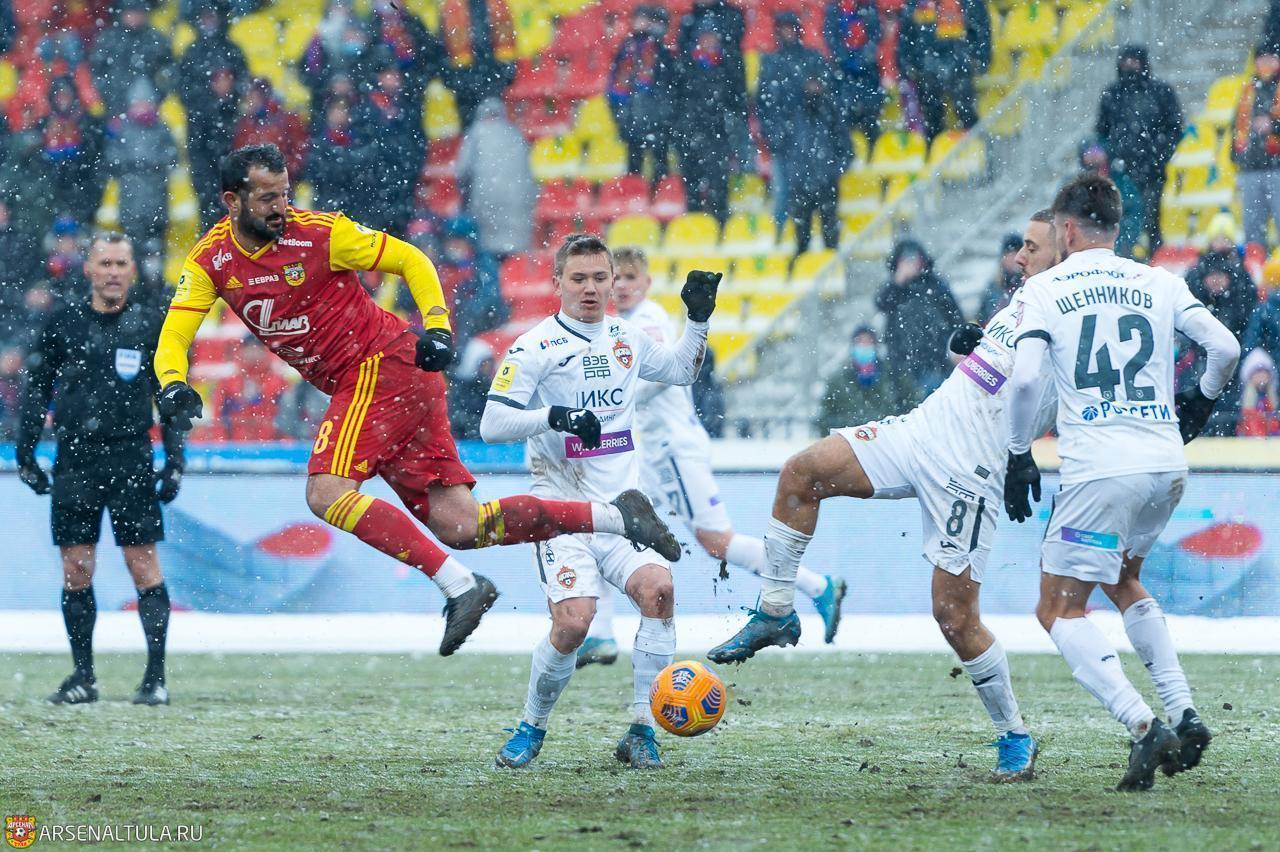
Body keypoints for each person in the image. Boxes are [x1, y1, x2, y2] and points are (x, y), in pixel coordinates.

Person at [154, 144, 681, 656]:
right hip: (395, 381)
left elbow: (409, 258)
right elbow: (175, 333)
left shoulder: (321, 234)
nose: (281, 207)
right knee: (463, 525)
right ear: (232, 201)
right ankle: (616, 516)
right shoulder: (211, 261)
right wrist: (173, 382)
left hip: (380, 366)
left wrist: (437, 325)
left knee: (325, 492)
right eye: (268, 198)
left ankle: (459, 587)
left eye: (285, 194)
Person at [708, 211, 1060, 781]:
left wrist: (1022, 453)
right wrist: (972, 346)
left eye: (1031, 247)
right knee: (801, 474)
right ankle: (775, 611)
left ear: (1065, 249)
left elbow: (1050, 388)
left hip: (970, 469)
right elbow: (1002, 372)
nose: (1019, 256)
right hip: (921, 430)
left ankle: (1014, 733)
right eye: (1021, 245)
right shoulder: (1023, 297)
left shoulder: (1071, 311)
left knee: (954, 617)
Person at [1003, 174, 1239, 791]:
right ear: (1114, 227)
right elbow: (1225, 347)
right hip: (1165, 463)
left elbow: (1024, 380)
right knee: (1123, 579)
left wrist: (1019, 452)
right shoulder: (1158, 280)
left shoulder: (1046, 289)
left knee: (1057, 607)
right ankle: (1184, 713)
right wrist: (1201, 400)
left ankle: (1142, 723)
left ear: (1068, 230)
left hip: (1102, 469)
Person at [479, 234, 719, 769]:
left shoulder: (626, 337)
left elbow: (682, 371)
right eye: (579, 278)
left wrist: (698, 320)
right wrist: (554, 417)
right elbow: (492, 423)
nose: (590, 288)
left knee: (659, 592)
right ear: (557, 282)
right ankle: (531, 727)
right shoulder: (535, 346)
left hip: (625, 512)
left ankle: (641, 731)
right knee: (573, 624)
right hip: (561, 513)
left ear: (613, 282)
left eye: (599, 277)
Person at [576, 246, 846, 670]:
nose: (623, 286)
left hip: (673, 451)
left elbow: (660, 379)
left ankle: (818, 586)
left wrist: (611, 401)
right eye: (618, 278)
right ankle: (603, 633)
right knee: (606, 525)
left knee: (717, 542)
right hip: (652, 455)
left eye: (631, 278)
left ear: (646, 283)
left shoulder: (646, 321)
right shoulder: (622, 325)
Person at [17, 233, 185, 707]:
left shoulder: (150, 325)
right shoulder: (63, 322)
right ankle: (83, 676)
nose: (113, 272)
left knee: (142, 564)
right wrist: (26, 453)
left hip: (131, 456)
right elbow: (37, 388)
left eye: (120, 264)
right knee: (76, 569)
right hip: (75, 459)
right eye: (105, 263)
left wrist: (175, 461)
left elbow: (170, 398)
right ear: (88, 269)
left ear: (133, 271)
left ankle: (155, 679)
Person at [757, 13, 839, 239]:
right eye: (783, 28)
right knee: (783, 194)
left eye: (790, 28)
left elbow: (826, 98)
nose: (787, 33)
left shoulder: (812, 58)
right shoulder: (771, 62)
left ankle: (804, 242)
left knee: (814, 198)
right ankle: (781, 238)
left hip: (811, 141)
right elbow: (764, 105)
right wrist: (775, 135)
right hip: (784, 143)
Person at [1095, 45, 1182, 256]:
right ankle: (1125, 257)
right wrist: (1114, 155)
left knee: (1152, 218)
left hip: (1152, 169)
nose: (1129, 66)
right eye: (1125, 61)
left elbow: (1174, 128)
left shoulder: (1161, 92)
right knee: (1122, 219)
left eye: (1134, 61)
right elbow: (1102, 131)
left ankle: (1153, 258)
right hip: (1120, 171)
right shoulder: (1112, 94)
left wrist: (1160, 155)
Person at [177, 0, 249, 230]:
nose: (209, 21)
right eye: (204, 16)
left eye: (212, 16)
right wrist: (212, 95)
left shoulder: (233, 50)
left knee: (234, 195)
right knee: (205, 195)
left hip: (229, 130)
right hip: (199, 131)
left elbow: (245, 85)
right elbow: (182, 91)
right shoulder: (191, 52)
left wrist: (229, 96)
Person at [874, 239, 962, 393]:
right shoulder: (895, 288)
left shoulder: (936, 285)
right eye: (905, 259)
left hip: (938, 360)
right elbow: (881, 303)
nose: (910, 264)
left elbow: (955, 318)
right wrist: (898, 282)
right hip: (904, 363)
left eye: (913, 258)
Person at [897, 0, 990, 141]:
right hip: (927, 66)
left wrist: (980, 58)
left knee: (966, 110)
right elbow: (906, 34)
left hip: (960, 63)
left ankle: (977, 146)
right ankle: (935, 147)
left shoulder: (969, 3)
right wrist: (909, 65)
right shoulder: (917, 4)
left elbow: (981, 28)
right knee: (931, 115)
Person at [104, 80, 178, 255]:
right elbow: (112, 158)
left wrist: (151, 163)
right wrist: (134, 164)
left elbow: (173, 157)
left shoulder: (161, 128)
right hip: (130, 204)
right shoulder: (122, 129)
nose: (142, 107)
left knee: (156, 252)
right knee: (132, 252)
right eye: (138, 103)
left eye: (145, 102)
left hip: (157, 202)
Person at [455, 97, 536, 257]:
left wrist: (464, 198)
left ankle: (492, 269)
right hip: (516, 202)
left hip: (484, 200)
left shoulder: (475, 134)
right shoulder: (515, 134)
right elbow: (530, 173)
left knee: (487, 251)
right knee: (514, 252)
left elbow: (462, 170)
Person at [607, 6, 677, 179]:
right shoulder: (627, 49)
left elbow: (669, 90)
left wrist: (664, 118)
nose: (645, 24)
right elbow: (616, 88)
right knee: (634, 171)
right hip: (633, 121)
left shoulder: (663, 51)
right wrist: (622, 118)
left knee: (660, 170)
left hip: (655, 122)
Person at [816, 325, 921, 434]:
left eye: (868, 343)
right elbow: (824, 421)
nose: (864, 347)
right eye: (860, 342)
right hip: (850, 442)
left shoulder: (895, 376)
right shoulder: (838, 382)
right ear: (852, 347)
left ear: (876, 347)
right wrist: (852, 428)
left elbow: (913, 409)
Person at [89, 0, 173, 119]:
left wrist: (158, 95)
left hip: (154, 110)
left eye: (139, 12)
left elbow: (168, 71)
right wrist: (112, 98)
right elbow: (97, 72)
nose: (135, 17)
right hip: (117, 108)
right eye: (131, 12)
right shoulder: (108, 39)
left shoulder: (156, 39)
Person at [440, 0, 517, 128]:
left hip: (492, 79)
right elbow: (442, 47)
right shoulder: (451, 6)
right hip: (466, 85)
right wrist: (454, 79)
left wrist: (505, 73)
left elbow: (507, 40)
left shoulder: (497, 4)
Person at [1232, 44, 1280, 249]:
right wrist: (1236, 159)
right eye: (1261, 59)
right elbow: (1235, 126)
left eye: (1270, 58)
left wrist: (1274, 125)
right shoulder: (1248, 90)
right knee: (1252, 231)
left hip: (1277, 168)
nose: (1265, 63)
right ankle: (1255, 266)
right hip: (1251, 168)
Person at [824, 0, 883, 143]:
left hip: (867, 74)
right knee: (843, 119)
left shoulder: (870, 9)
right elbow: (831, 39)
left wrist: (861, 59)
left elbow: (876, 35)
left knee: (870, 117)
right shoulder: (835, 10)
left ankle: (871, 148)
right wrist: (847, 58)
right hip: (843, 74)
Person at [979, 232, 1025, 322]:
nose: (1012, 259)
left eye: (1015, 254)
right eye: (1009, 254)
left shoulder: (1028, 285)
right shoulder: (993, 287)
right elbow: (982, 317)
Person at [1237, 347, 1280, 436]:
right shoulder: (1241, 400)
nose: (1262, 375)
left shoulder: (1273, 400)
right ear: (1250, 376)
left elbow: (1275, 427)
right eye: (1258, 371)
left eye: (1265, 371)